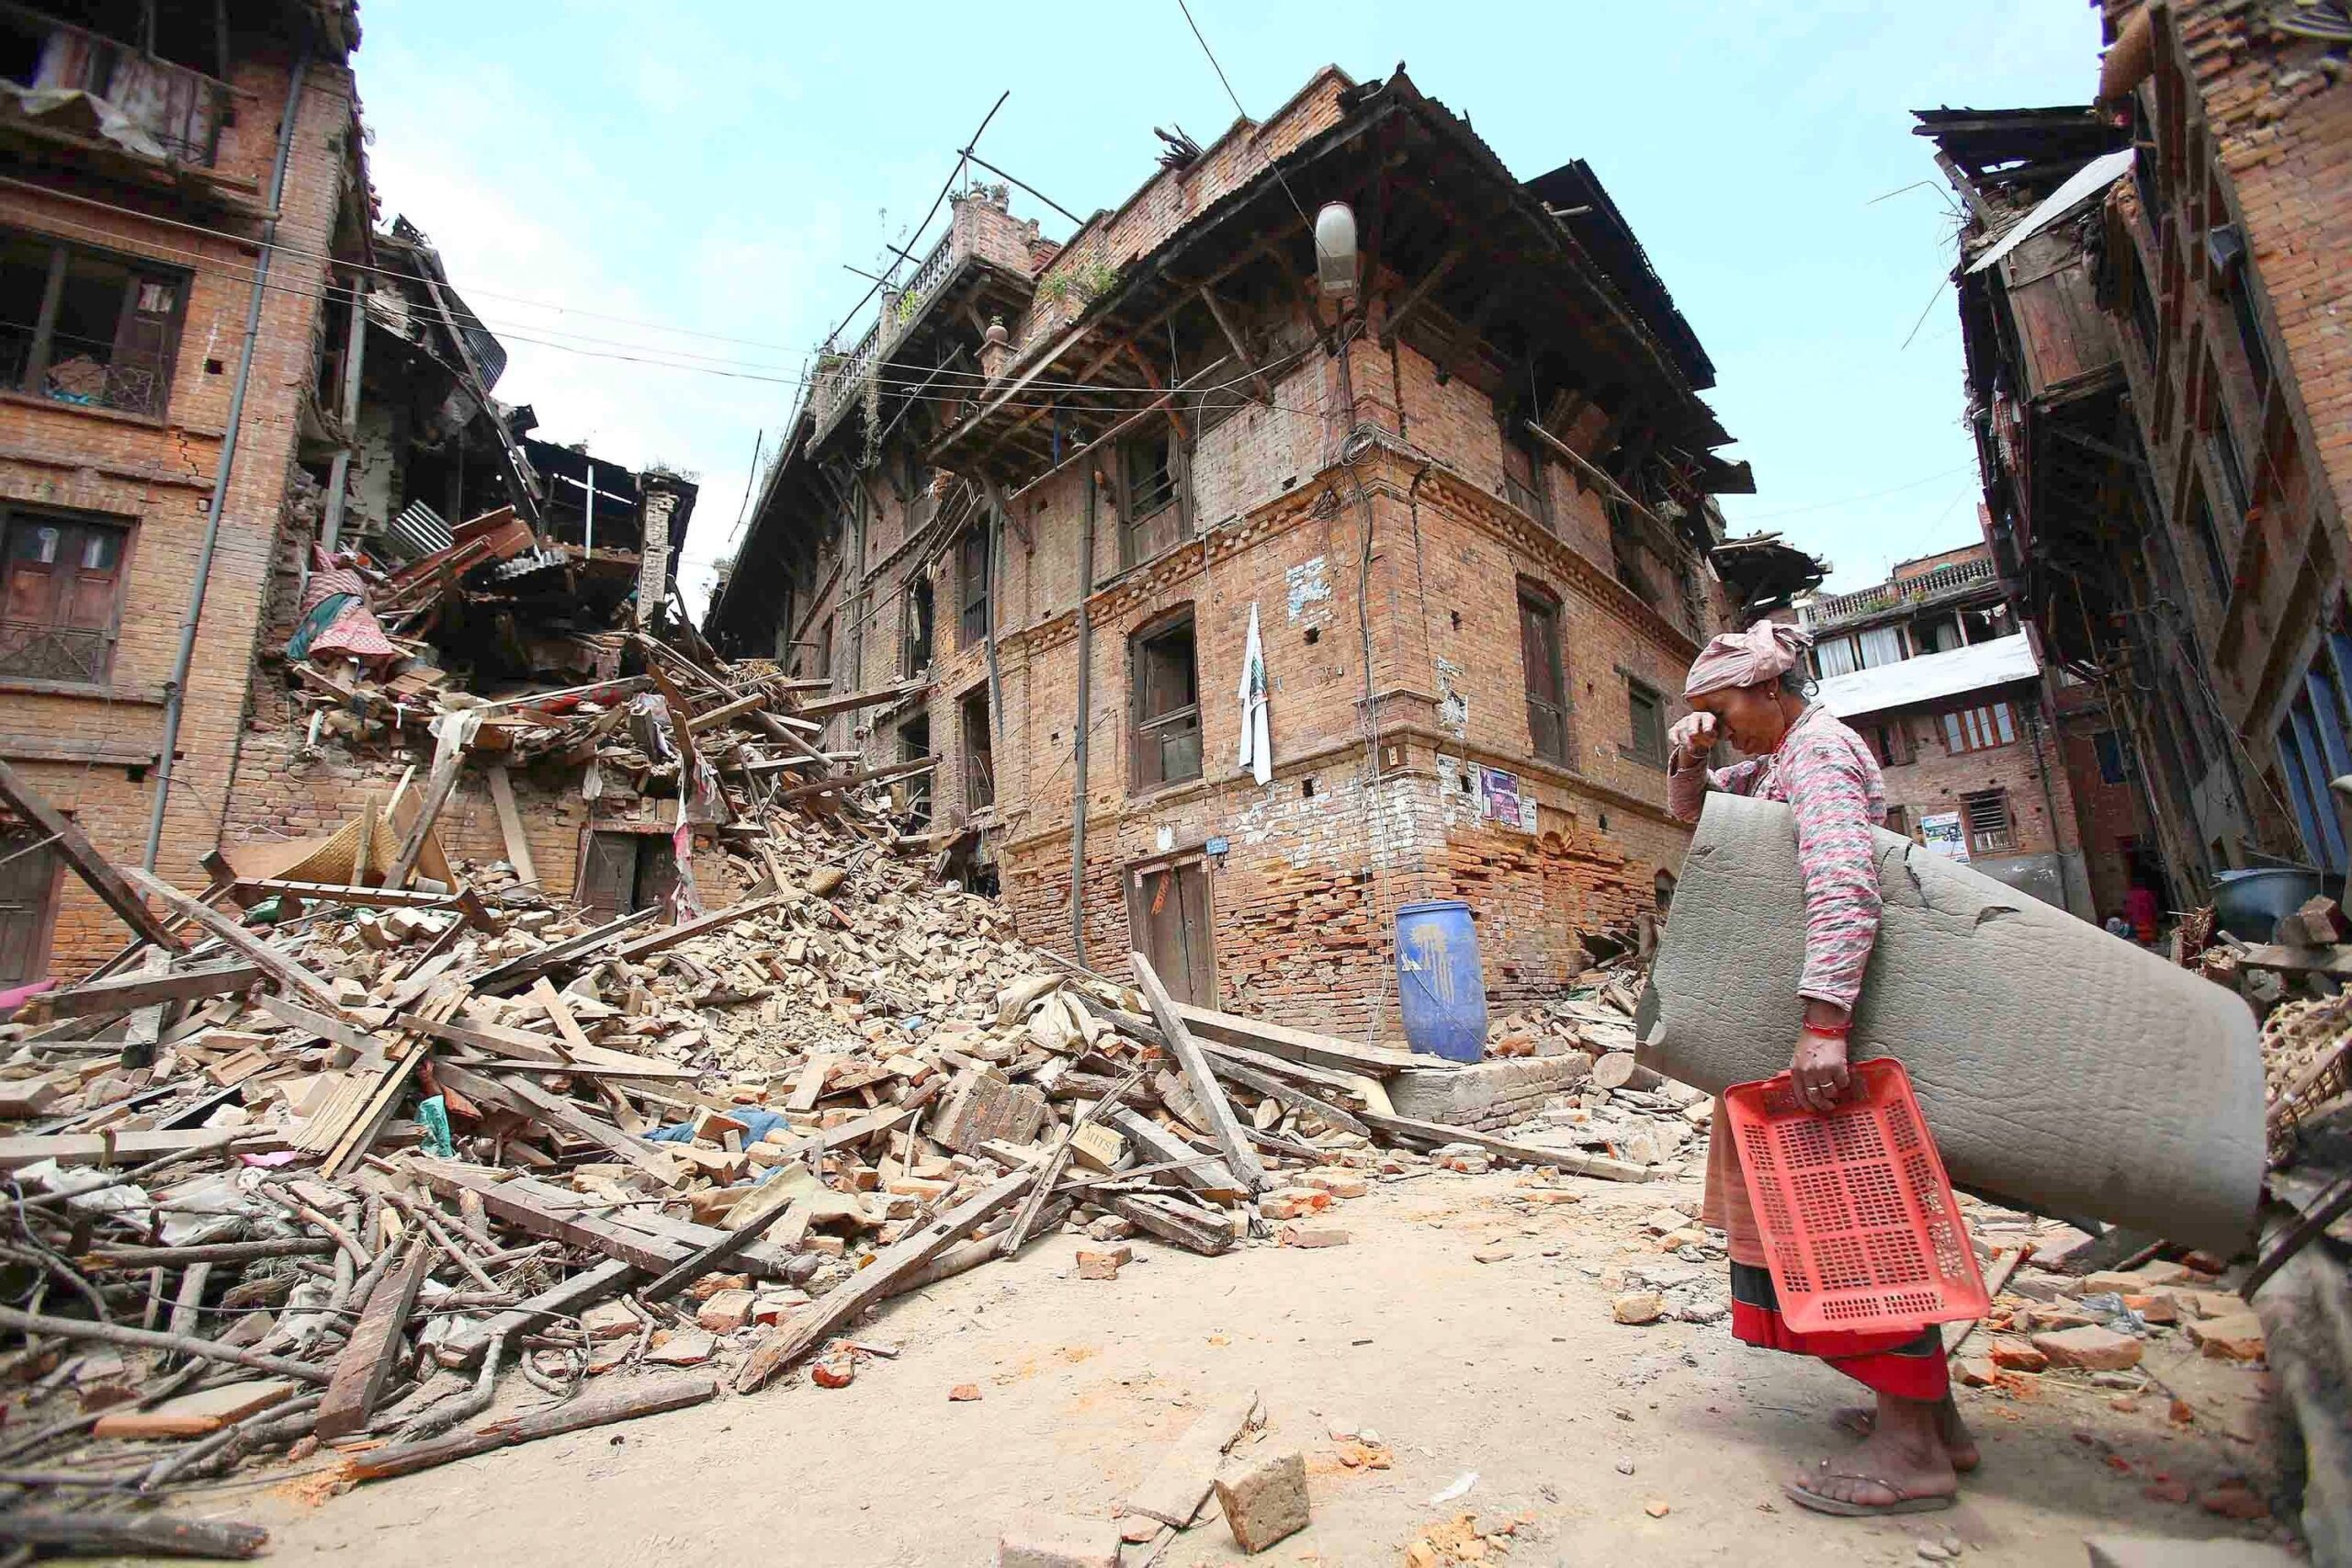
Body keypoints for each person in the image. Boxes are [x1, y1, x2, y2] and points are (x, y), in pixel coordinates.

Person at [1666, 620, 1971, 1517]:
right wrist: (1688, 758)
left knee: (1858, 1229)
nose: (1724, 730)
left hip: (1848, 1027)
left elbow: (1844, 878)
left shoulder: (1819, 754)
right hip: (1841, 1025)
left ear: (1769, 691)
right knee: (1867, 1217)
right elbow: (1701, 823)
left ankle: (1910, 1452)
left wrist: (1824, 1022)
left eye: (1723, 712)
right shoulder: (1776, 763)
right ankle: (1934, 1422)